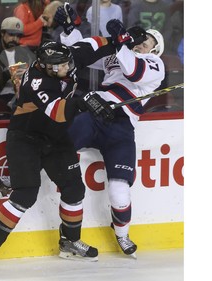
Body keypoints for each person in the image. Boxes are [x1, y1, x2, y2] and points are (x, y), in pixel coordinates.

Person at [0, 40, 116, 273]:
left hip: (56, 138)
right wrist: (84, 101)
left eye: (67, 63)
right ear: (46, 66)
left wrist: (121, 39)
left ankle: (69, 241)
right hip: (26, 138)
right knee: (26, 194)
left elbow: (92, 46)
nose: (67, 67)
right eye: (61, 66)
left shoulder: (64, 61)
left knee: (74, 189)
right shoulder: (37, 82)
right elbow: (58, 112)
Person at [57, 6, 165, 258]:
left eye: (146, 42)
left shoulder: (154, 64)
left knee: (119, 192)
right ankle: (12, 177)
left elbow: (134, 72)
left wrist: (121, 44)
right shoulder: (120, 53)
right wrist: (70, 31)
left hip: (121, 127)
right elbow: (82, 55)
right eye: (140, 39)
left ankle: (122, 234)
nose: (140, 43)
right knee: (57, 144)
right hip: (96, 113)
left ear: (156, 50)